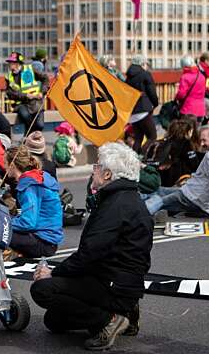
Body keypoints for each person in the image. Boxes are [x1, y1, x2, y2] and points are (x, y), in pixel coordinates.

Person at [30, 143, 153, 350]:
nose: (92, 170)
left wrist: (53, 273)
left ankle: (110, 319)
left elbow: (89, 253)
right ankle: (125, 312)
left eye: (96, 166)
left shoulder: (116, 205)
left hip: (113, 283)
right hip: (114, 279)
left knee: (42, 290)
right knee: (53, 321)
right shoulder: (126, 198)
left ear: (107, 174)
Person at [144, 125, 209, 220]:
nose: (201, 144)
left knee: (159, 200)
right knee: (159, 191)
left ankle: (135, 216)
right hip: (195, 194)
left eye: (204, 140)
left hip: (195, 198)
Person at [4, 146, 62, 258]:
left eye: (5, 163)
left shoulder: (30, 185)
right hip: (48, 240)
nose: (4, 167)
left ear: (12, 165)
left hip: (43, 242)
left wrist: (5, 222)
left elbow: (28, 223)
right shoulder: (38, 177)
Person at [145, 119, 202, 188]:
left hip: (159, 176)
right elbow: (194, 164)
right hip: (175, 179)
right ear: (188, 131)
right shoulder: (186, 143)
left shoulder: (161, 141)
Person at [5, 51, 49, 134]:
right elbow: (9, 93)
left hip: (36, 103)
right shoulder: (8, 76)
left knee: (40, 125)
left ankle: (28, 138)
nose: (10, 64)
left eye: (12, 62)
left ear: (18, 63)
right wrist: (26, 95)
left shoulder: (30, 69)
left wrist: (41, 92)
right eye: (10, 62)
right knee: (26, 117)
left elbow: (45, 78)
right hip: (20, 104)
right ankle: (29, 139)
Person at [125, 55, 159, 153]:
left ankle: (134, 159)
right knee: (152, 136)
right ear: (142, 64)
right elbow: (152, 92)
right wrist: (155, 104)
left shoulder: (128, 77)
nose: (146, 66)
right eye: (146, 64)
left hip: (133, 112)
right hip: (143, 110)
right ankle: (143, 157)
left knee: (138, 138)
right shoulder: (145, 74)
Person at [176, 56, 206, 120]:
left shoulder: (185, 77)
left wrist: (176, 97)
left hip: (188, 109)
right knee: (197, 129)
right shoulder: (202, 76)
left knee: (187, 129)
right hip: (201, 110)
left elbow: (181, 94)